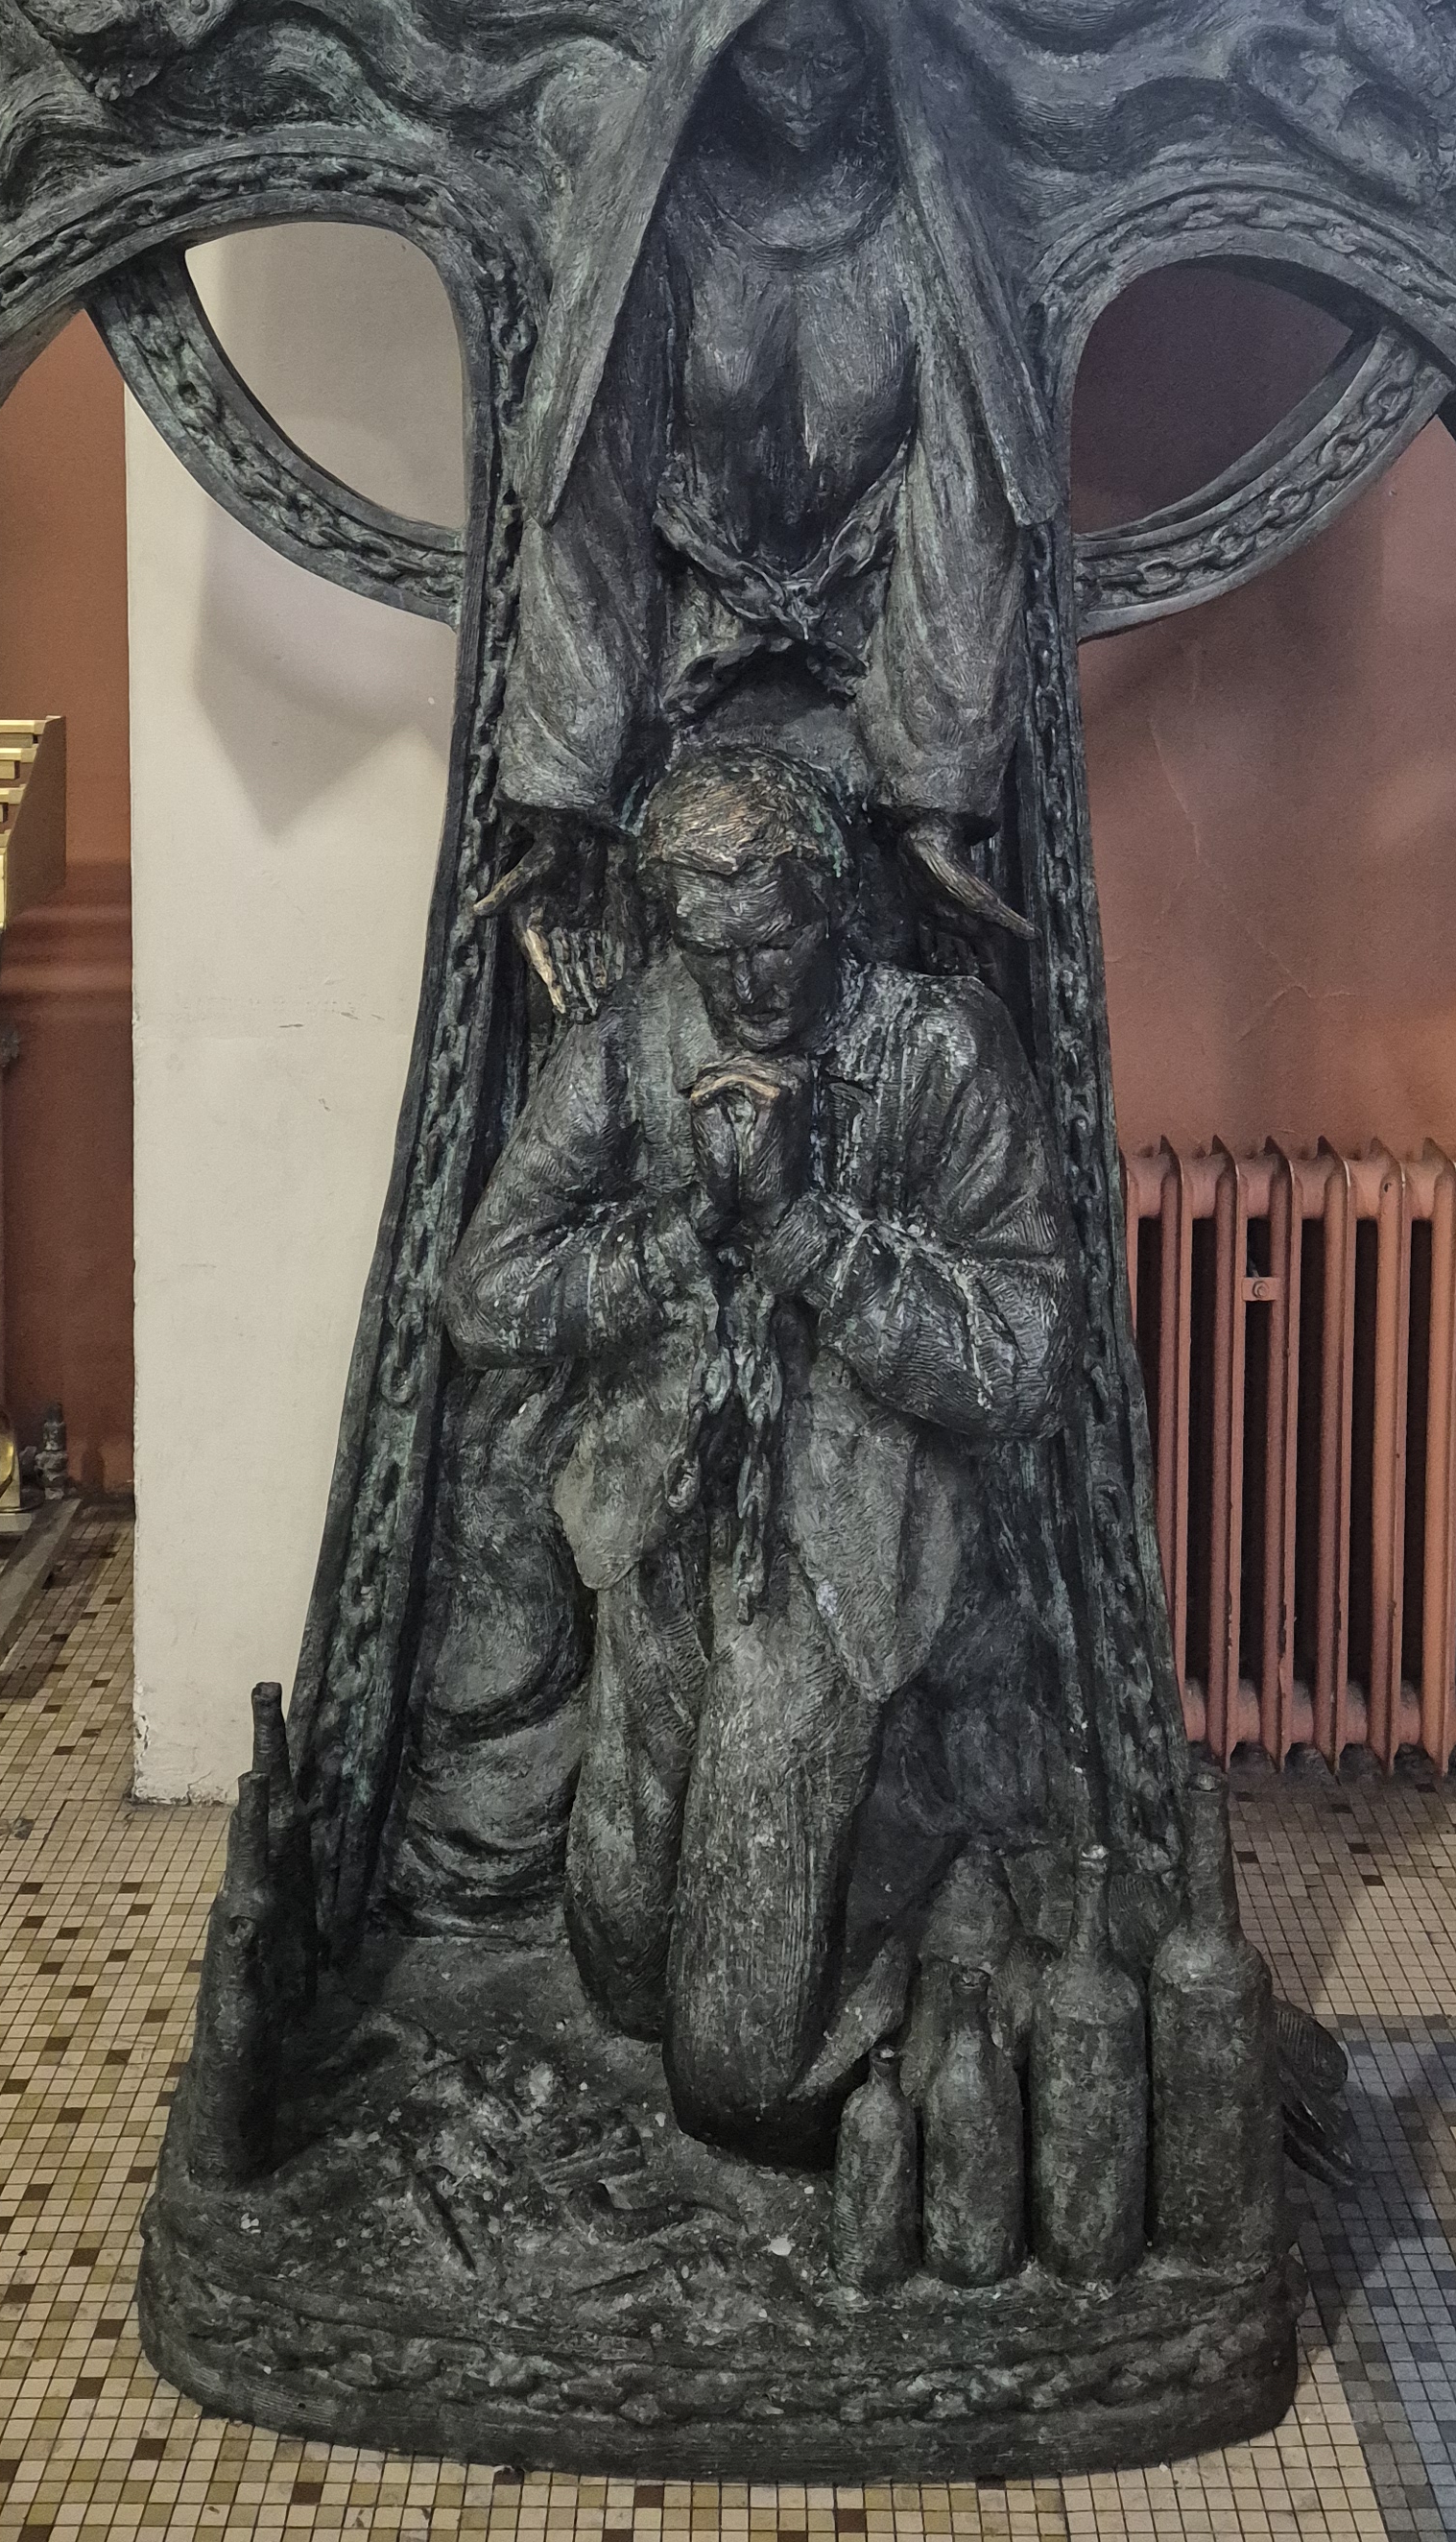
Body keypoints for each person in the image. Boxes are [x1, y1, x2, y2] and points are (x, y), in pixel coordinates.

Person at [438, 748, 1075, 2158]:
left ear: (830, 902)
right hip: (660, 1528)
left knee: (727, 2072)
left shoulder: (938, 1051)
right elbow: (482, 1293)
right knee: (617, 1972)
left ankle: (931, 1914)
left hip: (833, 1558)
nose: (747, 982)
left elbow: (1028, 1354)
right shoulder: (629, 1047)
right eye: (711, 948)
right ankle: (874, 1877)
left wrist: (806, 1237)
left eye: (774, 939)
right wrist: (674, 1241)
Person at [491, 0, 1039, 1010]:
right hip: (677, 694)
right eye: (773, 57)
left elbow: (962, 506)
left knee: (888, 1014)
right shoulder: (665, 235)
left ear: (874, 52)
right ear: (722, 44)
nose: (802, 90)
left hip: (876, 707)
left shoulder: (919, 237)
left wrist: (938, 795)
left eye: (833, 59)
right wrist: (563, 796)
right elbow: (589, 496)